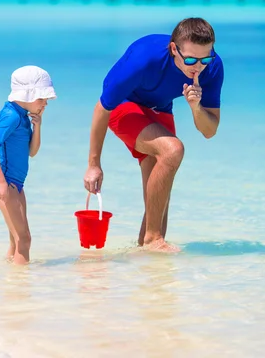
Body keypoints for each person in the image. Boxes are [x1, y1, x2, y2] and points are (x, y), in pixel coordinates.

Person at [83, 17, 224, 252]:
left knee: (159, 201)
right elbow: (102, 108)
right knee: (173, 150)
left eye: (205, 58)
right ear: (173, 49)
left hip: (160, 109)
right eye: (190, 59)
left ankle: (145, 259)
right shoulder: (144, 59)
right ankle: (152, 239)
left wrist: (196, 107)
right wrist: (93, 164)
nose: (197, 66)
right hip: (124, 106)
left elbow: (209, 131)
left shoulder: (212, 67)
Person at [0, 65, 57, 264]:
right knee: (24, 240)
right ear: (27, 94)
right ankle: (21, 291)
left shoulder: (23, 117)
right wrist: (0, 183)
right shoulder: (11, 116)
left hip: (17, 185)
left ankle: (10, 281)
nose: (45, 104)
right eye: (42, 98)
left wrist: (38, 125)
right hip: (6, 184)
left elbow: (31, 152)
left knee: (16, 242)